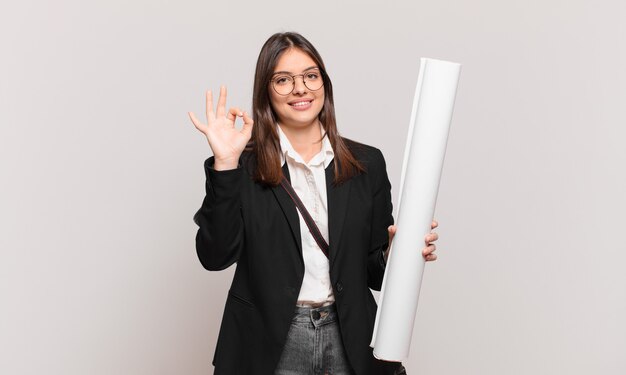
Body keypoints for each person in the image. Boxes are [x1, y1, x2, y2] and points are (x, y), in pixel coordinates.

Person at [188, 32, 439, 375]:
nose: (300, 88)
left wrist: (397, 253)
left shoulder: (366, 163)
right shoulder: (243, 167)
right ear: (265, 92)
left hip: (351, 338)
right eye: (283, 80)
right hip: (271, 342)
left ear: (324, 84)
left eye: (310, 75)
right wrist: (225, 164)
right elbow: (214, 256)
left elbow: (375, 275)